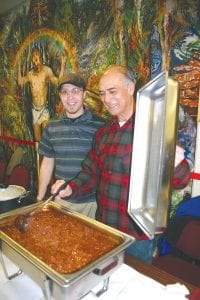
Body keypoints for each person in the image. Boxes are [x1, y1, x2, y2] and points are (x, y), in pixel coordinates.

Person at [52, 65, 191, 263]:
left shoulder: (153, 128)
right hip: (105, 228)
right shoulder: (104, 133)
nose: (107, 99)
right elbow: (90, 173)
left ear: (131, 88)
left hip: (138, 235)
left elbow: (180, 181)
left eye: (112, 91)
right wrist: (70, 188)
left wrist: (176, 164)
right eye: (102, 93)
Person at [37, 73, 105, 218]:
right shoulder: (52, 126)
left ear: (84, 94)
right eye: (65, 92)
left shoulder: (101, 126)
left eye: (75, 91)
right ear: (60, 96)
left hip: (92, 202)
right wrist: (39, 198)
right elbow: (47, 163)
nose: (70, 97)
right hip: (61, 200)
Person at [18, 47, 65, 141]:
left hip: (44, 110)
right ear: (32, 61)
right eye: (34, 58)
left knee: (46, 136)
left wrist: (63, 64)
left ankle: (47, 155)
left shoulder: (47, 71)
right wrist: (19, 66)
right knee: (37, 139)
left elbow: (58, 82)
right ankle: (38, 156)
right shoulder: (30, 74)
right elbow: (20, 82)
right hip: (35, 110)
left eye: (38, 57)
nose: (36, 61)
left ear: (41, 58)